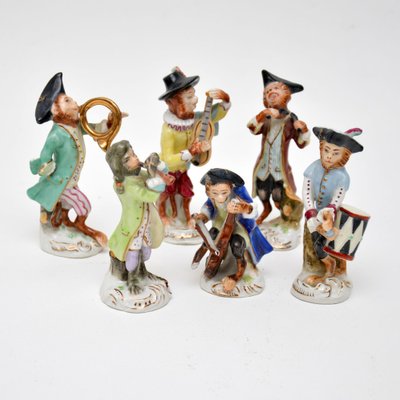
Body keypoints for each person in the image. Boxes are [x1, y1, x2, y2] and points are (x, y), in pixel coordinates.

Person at [27, 73, 125, 248]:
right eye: (67, 101)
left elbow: (94, 129)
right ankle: (80, 225)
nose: (74, 102)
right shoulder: (56, 135)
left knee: (66, 204)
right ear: (56, 110)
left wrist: (111, 121)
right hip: (61, 182)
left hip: (71, 180)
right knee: (84, 206)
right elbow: (44, 156)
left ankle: (64, 222)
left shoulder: (76, 125)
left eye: (71, 99)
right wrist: (45, 167)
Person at [158, 67, 231, 226]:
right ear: (172, 103)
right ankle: (162, 215)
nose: (196, 100)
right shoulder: (169, 129)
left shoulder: (193, 119)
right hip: (167, 171)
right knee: (165, 194)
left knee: (186, 194)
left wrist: (225, 100)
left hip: (183, 170)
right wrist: (191, 151)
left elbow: (212, 115)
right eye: (189, 97)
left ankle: (185, 218)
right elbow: (168, 159)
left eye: (194, 95)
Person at [189, 168, 273, 293]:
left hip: (238, 228)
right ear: (209, 191)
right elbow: (207, 211)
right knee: (211, 236)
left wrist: (242, 208)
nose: (220, 196)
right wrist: (200, 218)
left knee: (237, 244)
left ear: (230, 187)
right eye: (215, 193)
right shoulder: (212, 199)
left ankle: (238, 273)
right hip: (220, 226)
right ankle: (203, 257)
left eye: (224, 192)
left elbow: (252, 209)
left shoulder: (237, 196)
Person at [105, 140, 172, 295]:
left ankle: (141, 272)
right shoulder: (128, 185)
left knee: (146, 252)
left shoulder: (137, 174)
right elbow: (149, 195)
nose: (135, 158)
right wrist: (157, 180)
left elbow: (148, 178)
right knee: (133, 255)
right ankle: (132, 279)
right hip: (133, 227)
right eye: (129, 158)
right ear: (122, 166)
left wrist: (154, 167)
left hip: (145, 224)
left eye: (134, 154)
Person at [247, 69, 310, 226]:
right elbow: (252, 128)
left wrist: (304, 130)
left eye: (276, 89)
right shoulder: (266, 118)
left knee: (278, 195)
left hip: (279, 169)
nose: (271, 93)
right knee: (262, 193)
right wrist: (263, 114)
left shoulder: (291, 120)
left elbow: (302, 144)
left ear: (286, 96)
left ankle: (286, 216)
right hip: (263, 168)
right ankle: (266, 210)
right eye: (268, 91)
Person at [302, 127, 363, 285]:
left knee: (328, 243)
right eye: (326, 150)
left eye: (336, 153)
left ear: (344, 156)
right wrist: (311, 212)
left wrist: (328, 213)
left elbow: (337, 198)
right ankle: (318, 266)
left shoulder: (342, 177)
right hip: (313, 215)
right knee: (313, 242)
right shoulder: (313, 167)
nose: (329, 156)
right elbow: (307, 191)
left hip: (331, 217)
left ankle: (333, 268)